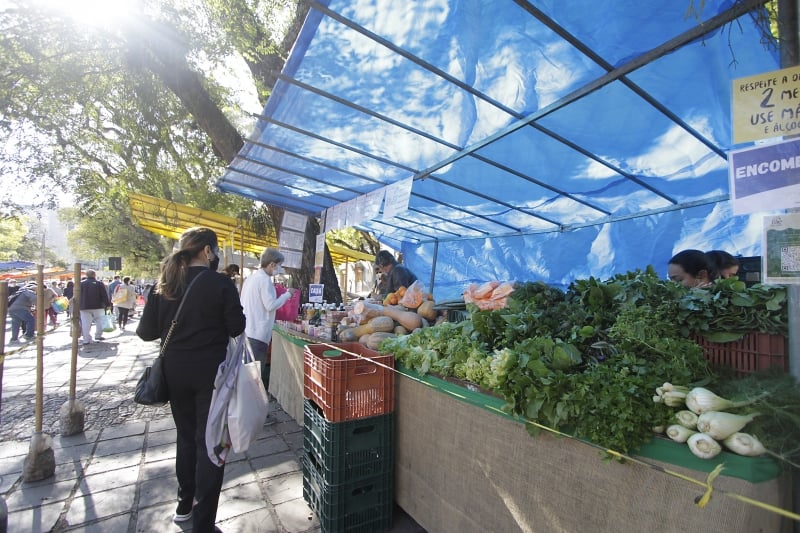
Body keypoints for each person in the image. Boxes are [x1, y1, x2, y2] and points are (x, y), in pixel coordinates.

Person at [136, 227, 245, 533]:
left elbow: (146, 332)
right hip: (210, 374)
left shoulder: (168, 282)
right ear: (208, 251)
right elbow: (236, 326)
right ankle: (203, 523)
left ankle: (184, 507)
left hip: (174, 371)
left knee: (186, 437)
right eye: (217, 249)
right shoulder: (221, 283)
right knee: (210, 444)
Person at [240, 248, 296, 393]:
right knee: (255, 376)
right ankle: (253, 409)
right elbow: (271, 305)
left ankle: (248, 407)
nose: (280, 269)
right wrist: (287, 295)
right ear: (272, 264)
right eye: (279, 265)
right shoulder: (264, 281)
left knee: (248, 372)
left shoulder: (251, 279)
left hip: (247, 330)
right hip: (258, 334)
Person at [79, 270, 111, 345]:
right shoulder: (99, 283)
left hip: (84, 306)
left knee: (85, 323)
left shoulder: (81, 284)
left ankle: (86, 339)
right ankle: (98, 335)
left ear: (86, 275)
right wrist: (107, 304)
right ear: (94, 275)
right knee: (99, 321)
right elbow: (104, 295)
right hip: (98, 306)